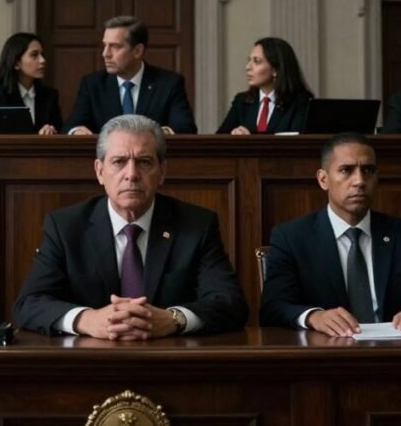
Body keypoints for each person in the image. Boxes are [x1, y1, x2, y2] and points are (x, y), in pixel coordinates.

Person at [13, 114, 247, 339]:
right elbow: (29, 303)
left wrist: (173, 319)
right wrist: (87, 320)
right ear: (100, 171)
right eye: (119, 162)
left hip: (170, 362)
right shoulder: (65, 226)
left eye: (144, 162)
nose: (132, 174)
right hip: (88, 363)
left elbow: (229, 302)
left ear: (162, 172)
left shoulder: (197, 224)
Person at [260, 132, 401, 336]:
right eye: (346, 170)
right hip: (325, 355)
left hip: (396, 353)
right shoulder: (291, 237)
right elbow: (273, 307)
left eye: (368, 170)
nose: (360, 181)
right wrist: (313, 317)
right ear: (323, 179)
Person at [63, 16, 197, 135]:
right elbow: (71, 125)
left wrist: (159, 134)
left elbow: (185, 127)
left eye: (114, 47)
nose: (105, 54)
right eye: (105, 45)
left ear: (138, 51)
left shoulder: (168, 83)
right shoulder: (93, 84)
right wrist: (76, 131)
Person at [217, 37, 313, 135]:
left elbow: (299, 144)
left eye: (257, 61)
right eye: (249, 60)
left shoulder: (301, 102)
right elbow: (218, 139)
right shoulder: (242, 101)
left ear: (275, 70)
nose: (248, 67)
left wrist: (250, 141)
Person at [0, 32, 63, 135]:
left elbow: (60, 130)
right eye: (34, 55)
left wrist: (51, 130)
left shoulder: (50, 95)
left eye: (42, 54)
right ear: (16, 63)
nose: (43, 60)